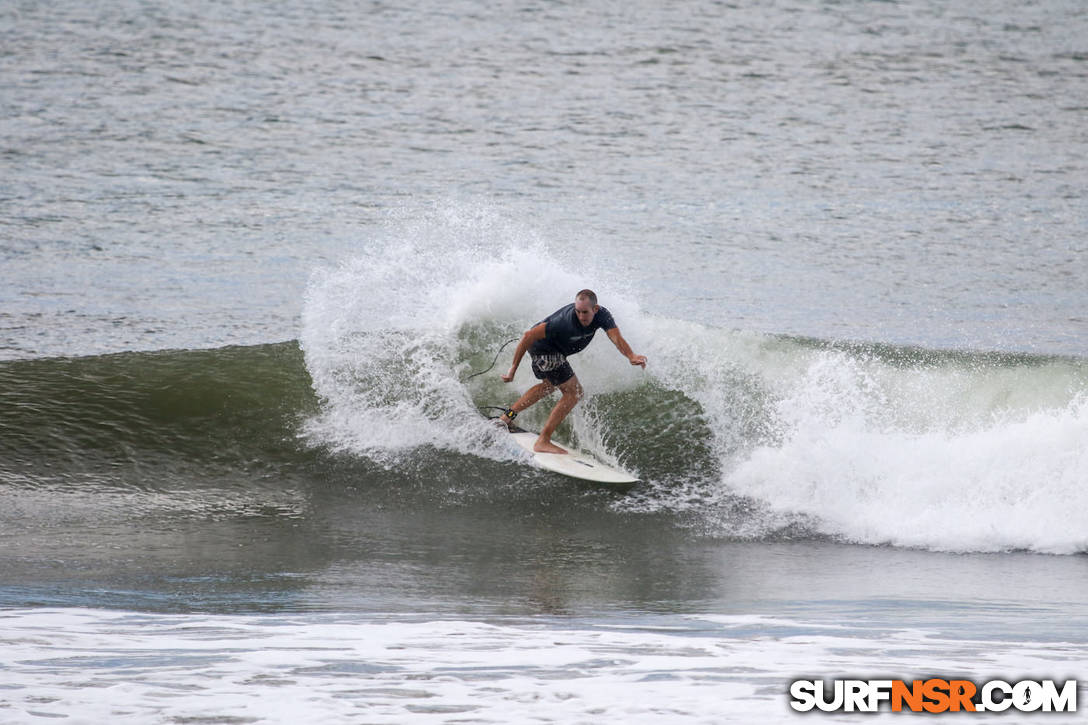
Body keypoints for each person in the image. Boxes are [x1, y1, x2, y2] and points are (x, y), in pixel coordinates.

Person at [499, 289, 647, 454]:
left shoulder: (602, 315)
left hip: (553, 351)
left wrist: (631, 355)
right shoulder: (564, 321)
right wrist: (513, 369)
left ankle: (506, 417)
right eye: (578, 311)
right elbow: (528, 336)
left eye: (585, 312)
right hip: (544, 348)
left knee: (548, 386)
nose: (581, 316)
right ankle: (543, 441)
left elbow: (616, 337)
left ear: (595, 309)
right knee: (574, 393)